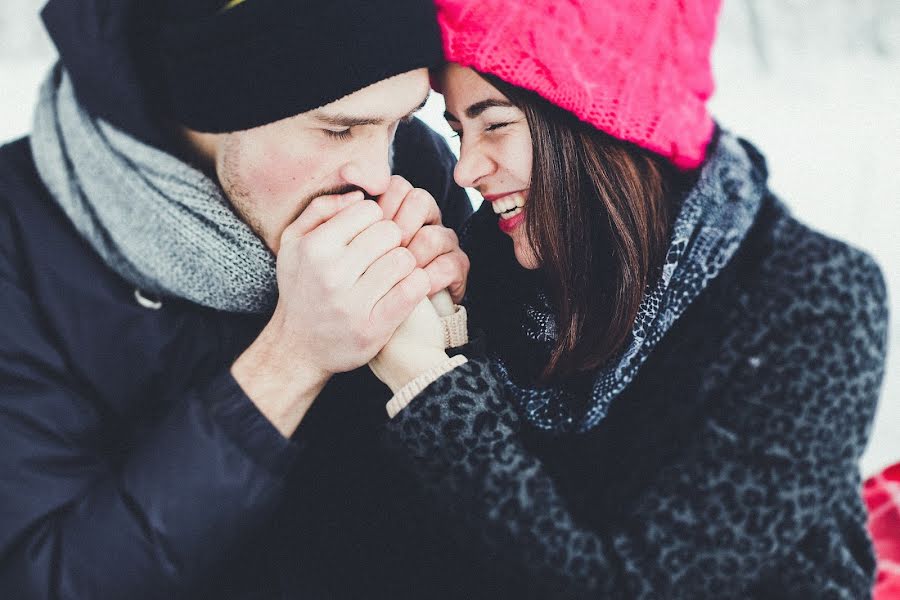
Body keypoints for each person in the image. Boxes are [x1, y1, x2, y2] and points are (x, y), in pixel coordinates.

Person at [369, 0, 890, 597]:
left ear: (597, 122)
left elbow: (638, 586)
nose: (464, 172)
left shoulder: (812, 301)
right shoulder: (494, 264)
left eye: (496, 123)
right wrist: (453, 338)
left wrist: (432, 390)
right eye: (458, 130)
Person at [0, 1, 477, 598]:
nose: (379, 172)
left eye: (400, 121)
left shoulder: (418, 165)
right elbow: (43, 577)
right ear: (216, 107)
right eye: (339, 129)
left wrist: (456, 333)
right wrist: (292, 357)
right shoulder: (19, 238)